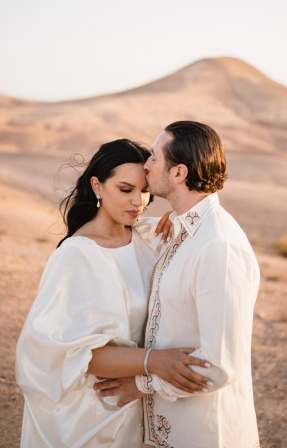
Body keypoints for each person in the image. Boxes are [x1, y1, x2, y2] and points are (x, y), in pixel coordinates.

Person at [15, 138, 211, 448]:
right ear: (97, 185)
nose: (138, 202)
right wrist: (155, 362)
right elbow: (77, 355)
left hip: (143, 401)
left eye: (145, 191)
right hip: (96, 412)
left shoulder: (148, 239)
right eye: (125, 189)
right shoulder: (77, 256)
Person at [96, 122, 260, 448]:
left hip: (206, 434)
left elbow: (220, 365)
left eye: (154, 158)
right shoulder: (181, 229)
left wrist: (141, 384)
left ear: (178, 173)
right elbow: (137, 234)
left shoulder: (218, 245)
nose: (146, 165)